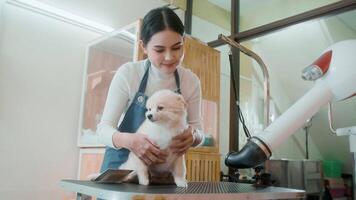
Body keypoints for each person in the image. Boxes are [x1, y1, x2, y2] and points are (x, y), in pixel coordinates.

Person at [97, 6, 205, 173]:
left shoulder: (190, 82)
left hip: (162, 174)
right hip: (121, 168)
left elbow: (198, 132)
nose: (169, 57)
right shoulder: (129, 74)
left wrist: (193, 136)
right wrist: (130, 141)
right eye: (159, 50)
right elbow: (103, 130)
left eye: (177, 48)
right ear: (143, 47)